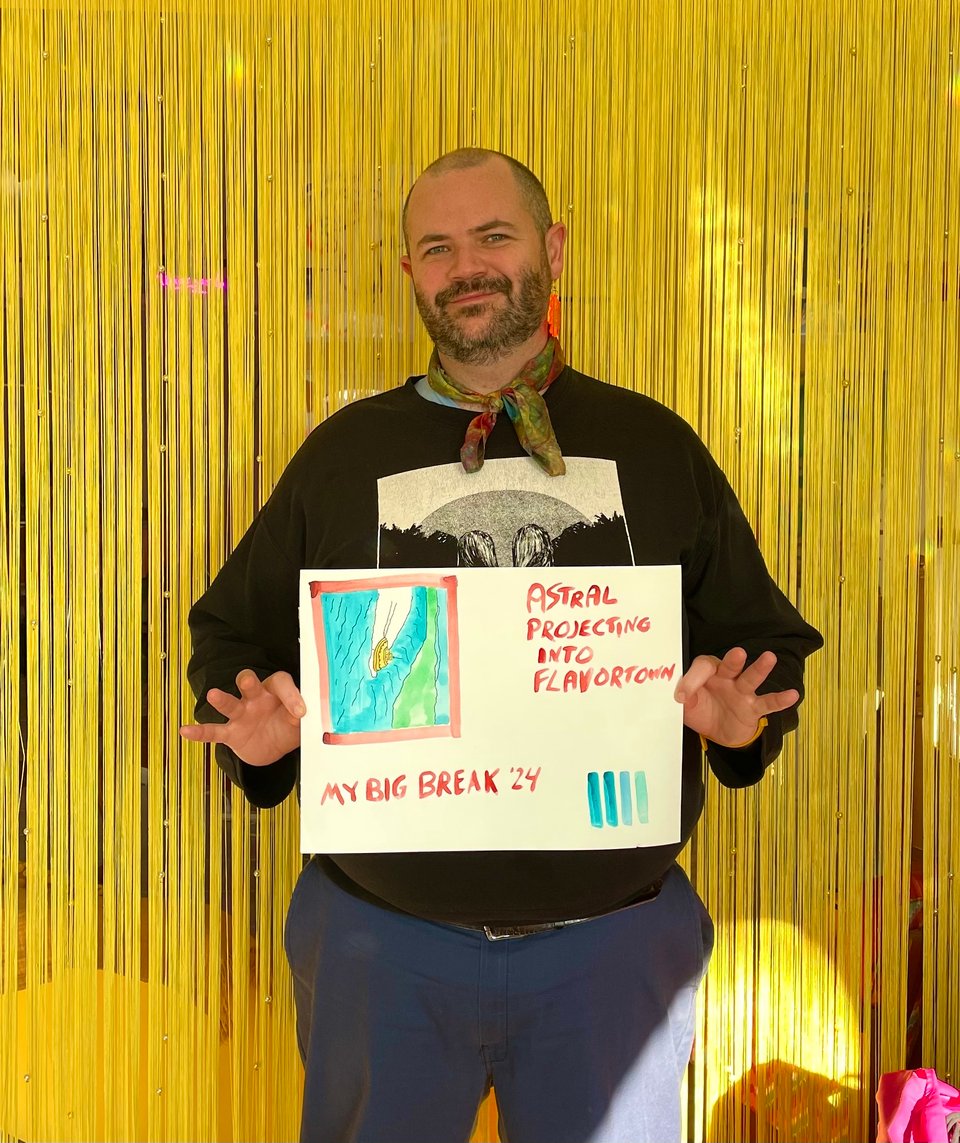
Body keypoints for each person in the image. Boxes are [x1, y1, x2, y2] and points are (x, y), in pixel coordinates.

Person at [181, 148, 823, 1143]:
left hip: (612, 957)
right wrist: (260, 731)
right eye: (438, 248)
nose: (466, 265)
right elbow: (233, 636)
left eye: (494, 237)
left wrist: (742, 719)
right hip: (378, 950)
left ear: (552, 250)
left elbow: (760, 643)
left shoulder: (653, 447)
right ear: (411, 274)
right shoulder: (343, 458)